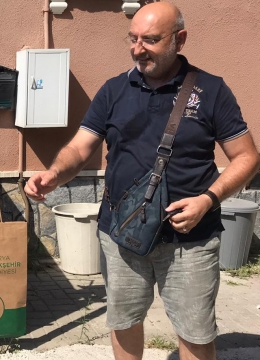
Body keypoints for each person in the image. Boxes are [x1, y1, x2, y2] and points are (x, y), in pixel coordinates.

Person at [25, 3, 259, 360]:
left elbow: (247, 157)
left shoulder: (211, 91)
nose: (138, 49)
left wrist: (208, 200)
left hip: (189, 239)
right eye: (132, 39)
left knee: (195, 332)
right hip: (122, 232)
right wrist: (55, 173)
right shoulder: (114, 90)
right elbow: (80, 146)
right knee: (124, 322)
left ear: (179, 40)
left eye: (150, 40)